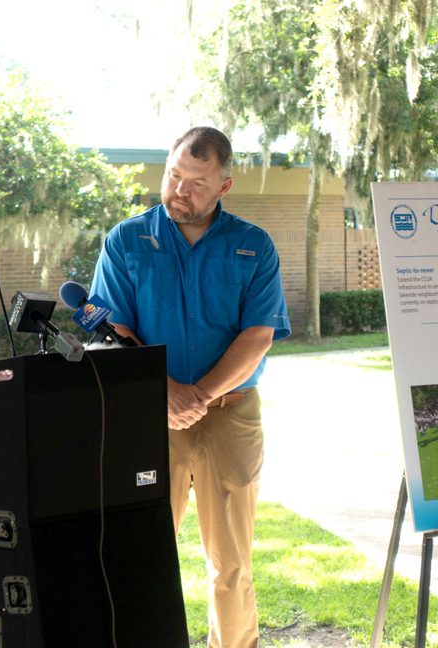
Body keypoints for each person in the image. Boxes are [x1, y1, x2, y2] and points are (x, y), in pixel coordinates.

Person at [90, 127, 290, 648]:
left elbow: (258, 336)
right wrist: (166, 392)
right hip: (150, 417)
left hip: (232, 412)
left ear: (223, 186)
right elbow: (109, 329)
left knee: (232, 562)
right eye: (174, 175)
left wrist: (196, 394)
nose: (180, 190)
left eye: (196, 183)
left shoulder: (254, 245)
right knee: (141, 552)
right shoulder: (125, 240)